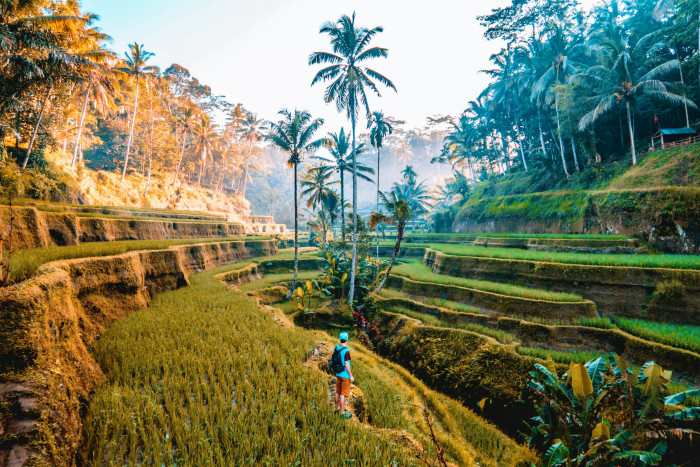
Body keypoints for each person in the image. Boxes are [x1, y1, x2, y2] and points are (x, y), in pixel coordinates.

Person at [333, 331, 354, 419]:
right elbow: (347, 365)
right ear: (347, 339)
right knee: (343, 394)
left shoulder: (337, 347)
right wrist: (351, 376)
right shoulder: (347, 351)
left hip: (338, 373)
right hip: (345, 375)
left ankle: (337, 409)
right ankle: (342, 413)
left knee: (337, 391)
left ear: (339, 338)